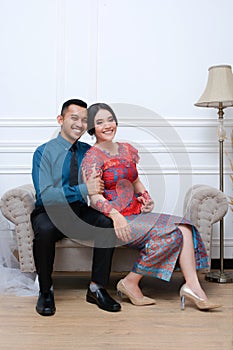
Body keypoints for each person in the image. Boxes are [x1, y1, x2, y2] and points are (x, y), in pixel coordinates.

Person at [81, 102, 222, 311]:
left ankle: (192, 287)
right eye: (100, 122)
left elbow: (135, 180)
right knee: (175, 233)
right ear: (93, 128)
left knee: (184, 228)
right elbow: (94, 197)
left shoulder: (126, 149)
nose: (107, 125)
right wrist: (116, 216)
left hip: (136, 213)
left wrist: (145, 197)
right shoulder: (92, 157)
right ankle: (131, 283)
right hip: (117, 221)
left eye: (110, 119)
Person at [31, 99, 121, 316]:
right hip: (50, 212)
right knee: (43, 230)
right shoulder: (43, 152)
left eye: (84, 120)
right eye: (74, 118)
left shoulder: (88, 152)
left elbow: (104, 182)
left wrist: (137, 195)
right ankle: (45, 290)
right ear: (61, 120)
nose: (80, 124)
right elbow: (45, 196)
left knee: (105, 224)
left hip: (78, 212)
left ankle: (96, 287)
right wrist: (83, 189)